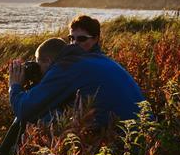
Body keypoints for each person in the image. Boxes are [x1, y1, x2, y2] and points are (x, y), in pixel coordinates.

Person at [9, 37, 144, 126]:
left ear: (48, 61)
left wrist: (15, 86)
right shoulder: (95, 58)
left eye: (39, 64)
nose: (38, 70)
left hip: (125, 141)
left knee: (43, 118)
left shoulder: (65, 67)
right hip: (145, 130)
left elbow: (24, 110)